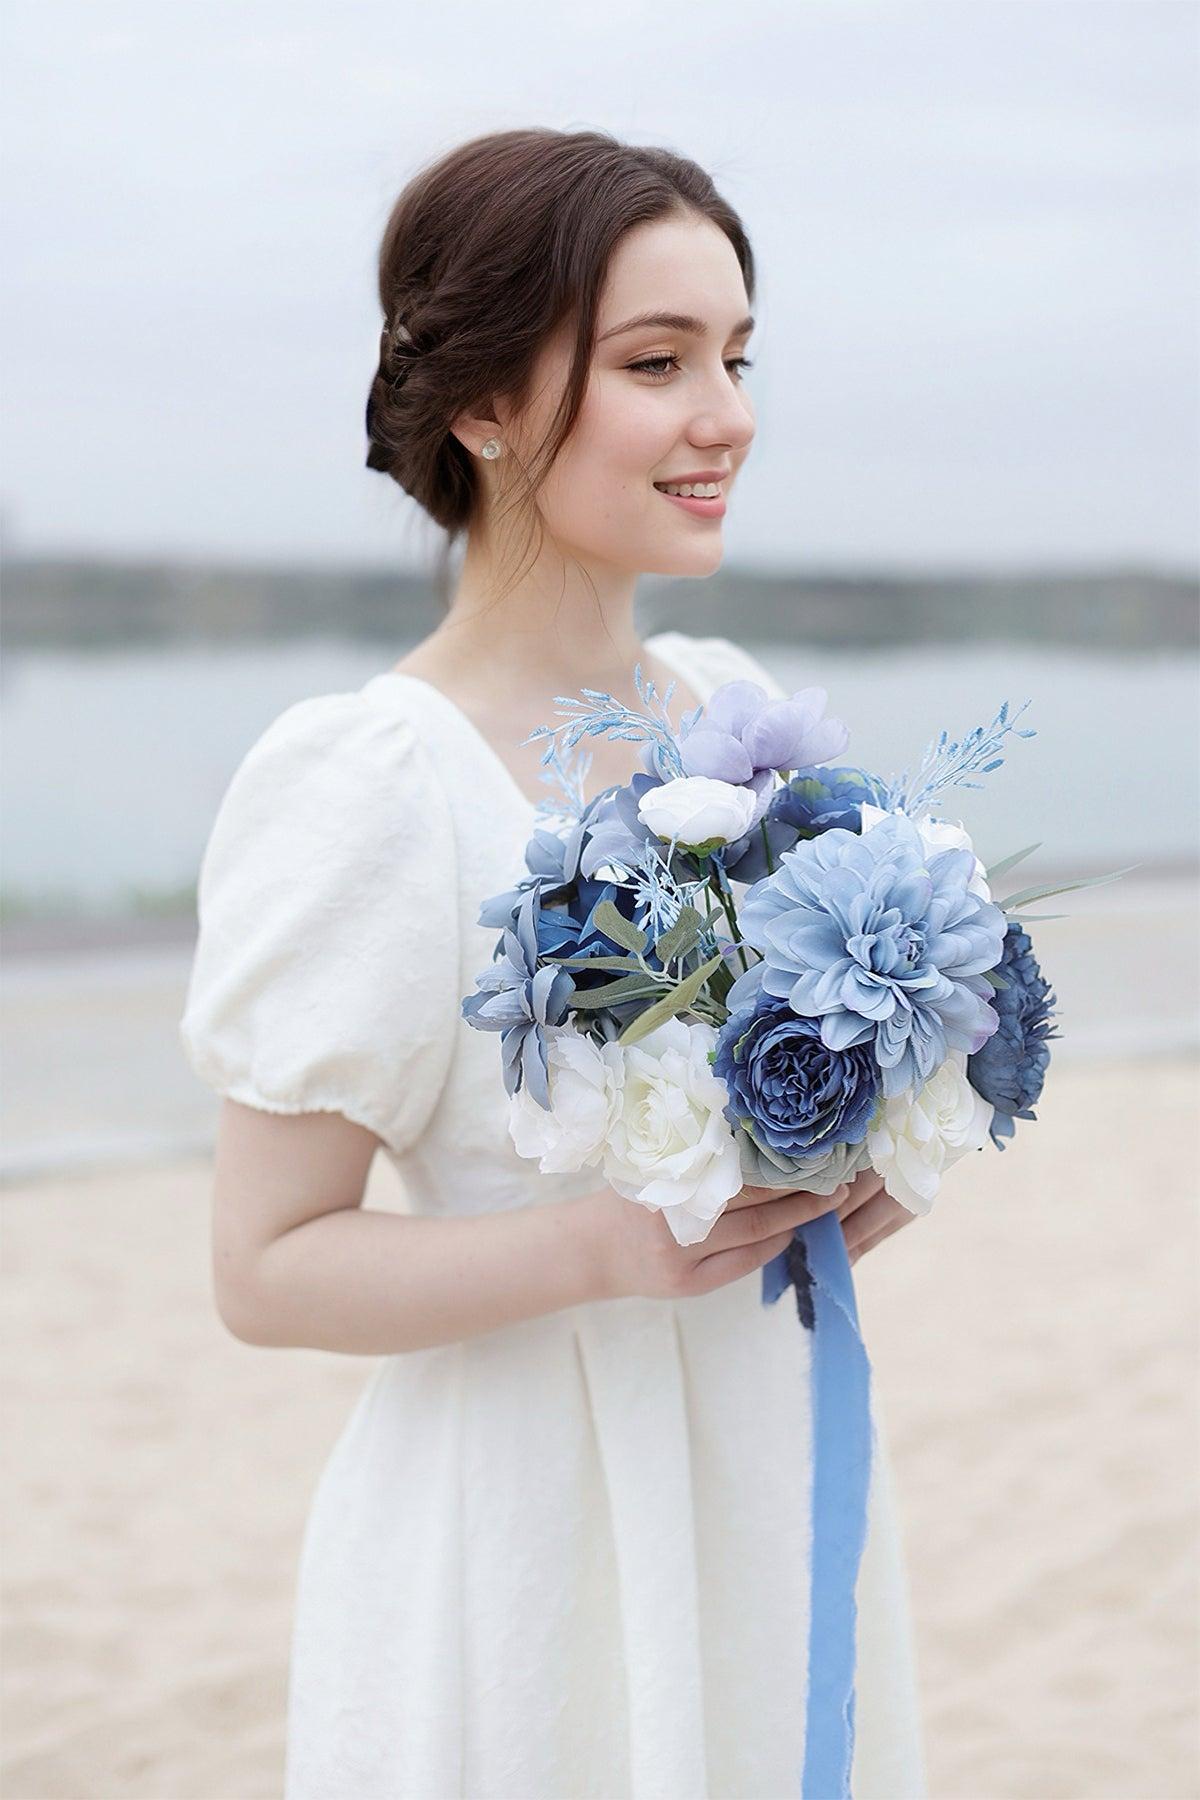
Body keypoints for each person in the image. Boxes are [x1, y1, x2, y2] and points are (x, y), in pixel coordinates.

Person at [179, 125, 928, 1800]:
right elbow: (266, 1267)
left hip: (769, 1464)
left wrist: (877, 1147)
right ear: (486, 403)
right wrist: (607, 1247)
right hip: (522, 1524)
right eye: (658, 362)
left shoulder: (733, 717)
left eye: (735, 356)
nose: (725, 413)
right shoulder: (375, 780)